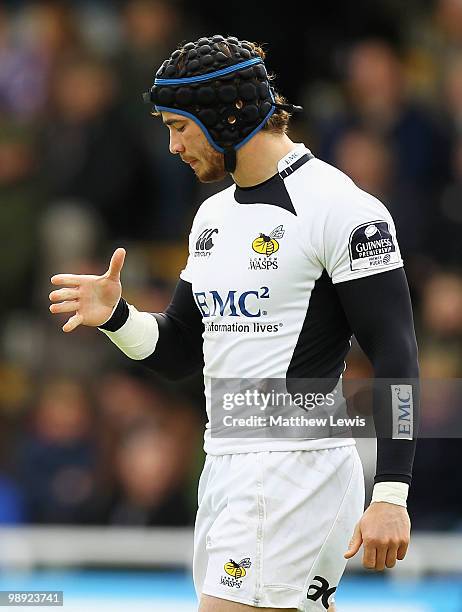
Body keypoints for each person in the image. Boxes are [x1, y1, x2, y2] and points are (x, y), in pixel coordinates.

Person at [49, 35, 419, 612]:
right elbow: (176, 350)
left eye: (180, 126)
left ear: (229, 115)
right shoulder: (213, 217)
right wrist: (117, 317)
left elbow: (397, 356)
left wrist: (392, 492)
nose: (172, 146)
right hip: (226, 463)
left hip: (295, 465)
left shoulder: (341, 209)